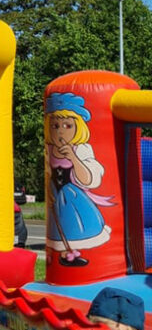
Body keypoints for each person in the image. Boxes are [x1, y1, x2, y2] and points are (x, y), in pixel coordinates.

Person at [45, 92, 114, 267]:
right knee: (61, 227)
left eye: (67, 125)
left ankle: (74, 255)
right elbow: (48, 174)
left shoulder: (82, 149)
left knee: (78, 225)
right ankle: (63, 255)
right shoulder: (50, 151)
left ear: (78, 129)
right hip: (56, 192)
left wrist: (74, 159)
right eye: (55, 125)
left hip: (72, 196)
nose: (60, 131)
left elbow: (90, 179)